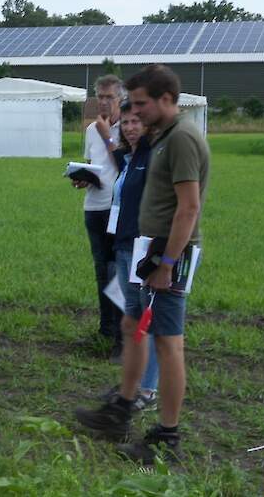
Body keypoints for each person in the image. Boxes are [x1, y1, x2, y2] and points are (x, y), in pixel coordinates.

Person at [75, 64, 210, 465]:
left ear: (166, 99)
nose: (132, 111)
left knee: (169, 343)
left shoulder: (183, 138)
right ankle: (122, 409)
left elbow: (188, 208)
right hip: (144, 249)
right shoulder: (162, 136)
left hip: (167, 254)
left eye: (140, 104)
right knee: (132, 325)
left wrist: (168, 263)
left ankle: (167, 437)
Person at [99, 101, 159, 412]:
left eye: (136, 121)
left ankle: (147, 391)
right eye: (125, 122)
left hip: (141, 248)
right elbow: (115, 157)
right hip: (123, 245)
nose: (130, 127)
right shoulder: (131, 158)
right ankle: (131, 385)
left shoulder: (151, 157)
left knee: (143, 321)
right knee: (131, 318)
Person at [73, 74, 125, 362]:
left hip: (117, 210)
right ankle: (105, 328)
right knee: (100, 271)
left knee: (117, 271)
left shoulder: (128, 127)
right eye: (100, 97)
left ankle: (121, 335)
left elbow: (123, 166)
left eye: (109, 97)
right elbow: (96, 166)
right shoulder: (92, 129)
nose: (103, 102)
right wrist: (83, 178)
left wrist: (108, 137)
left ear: (120, 99)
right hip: (93, 207)